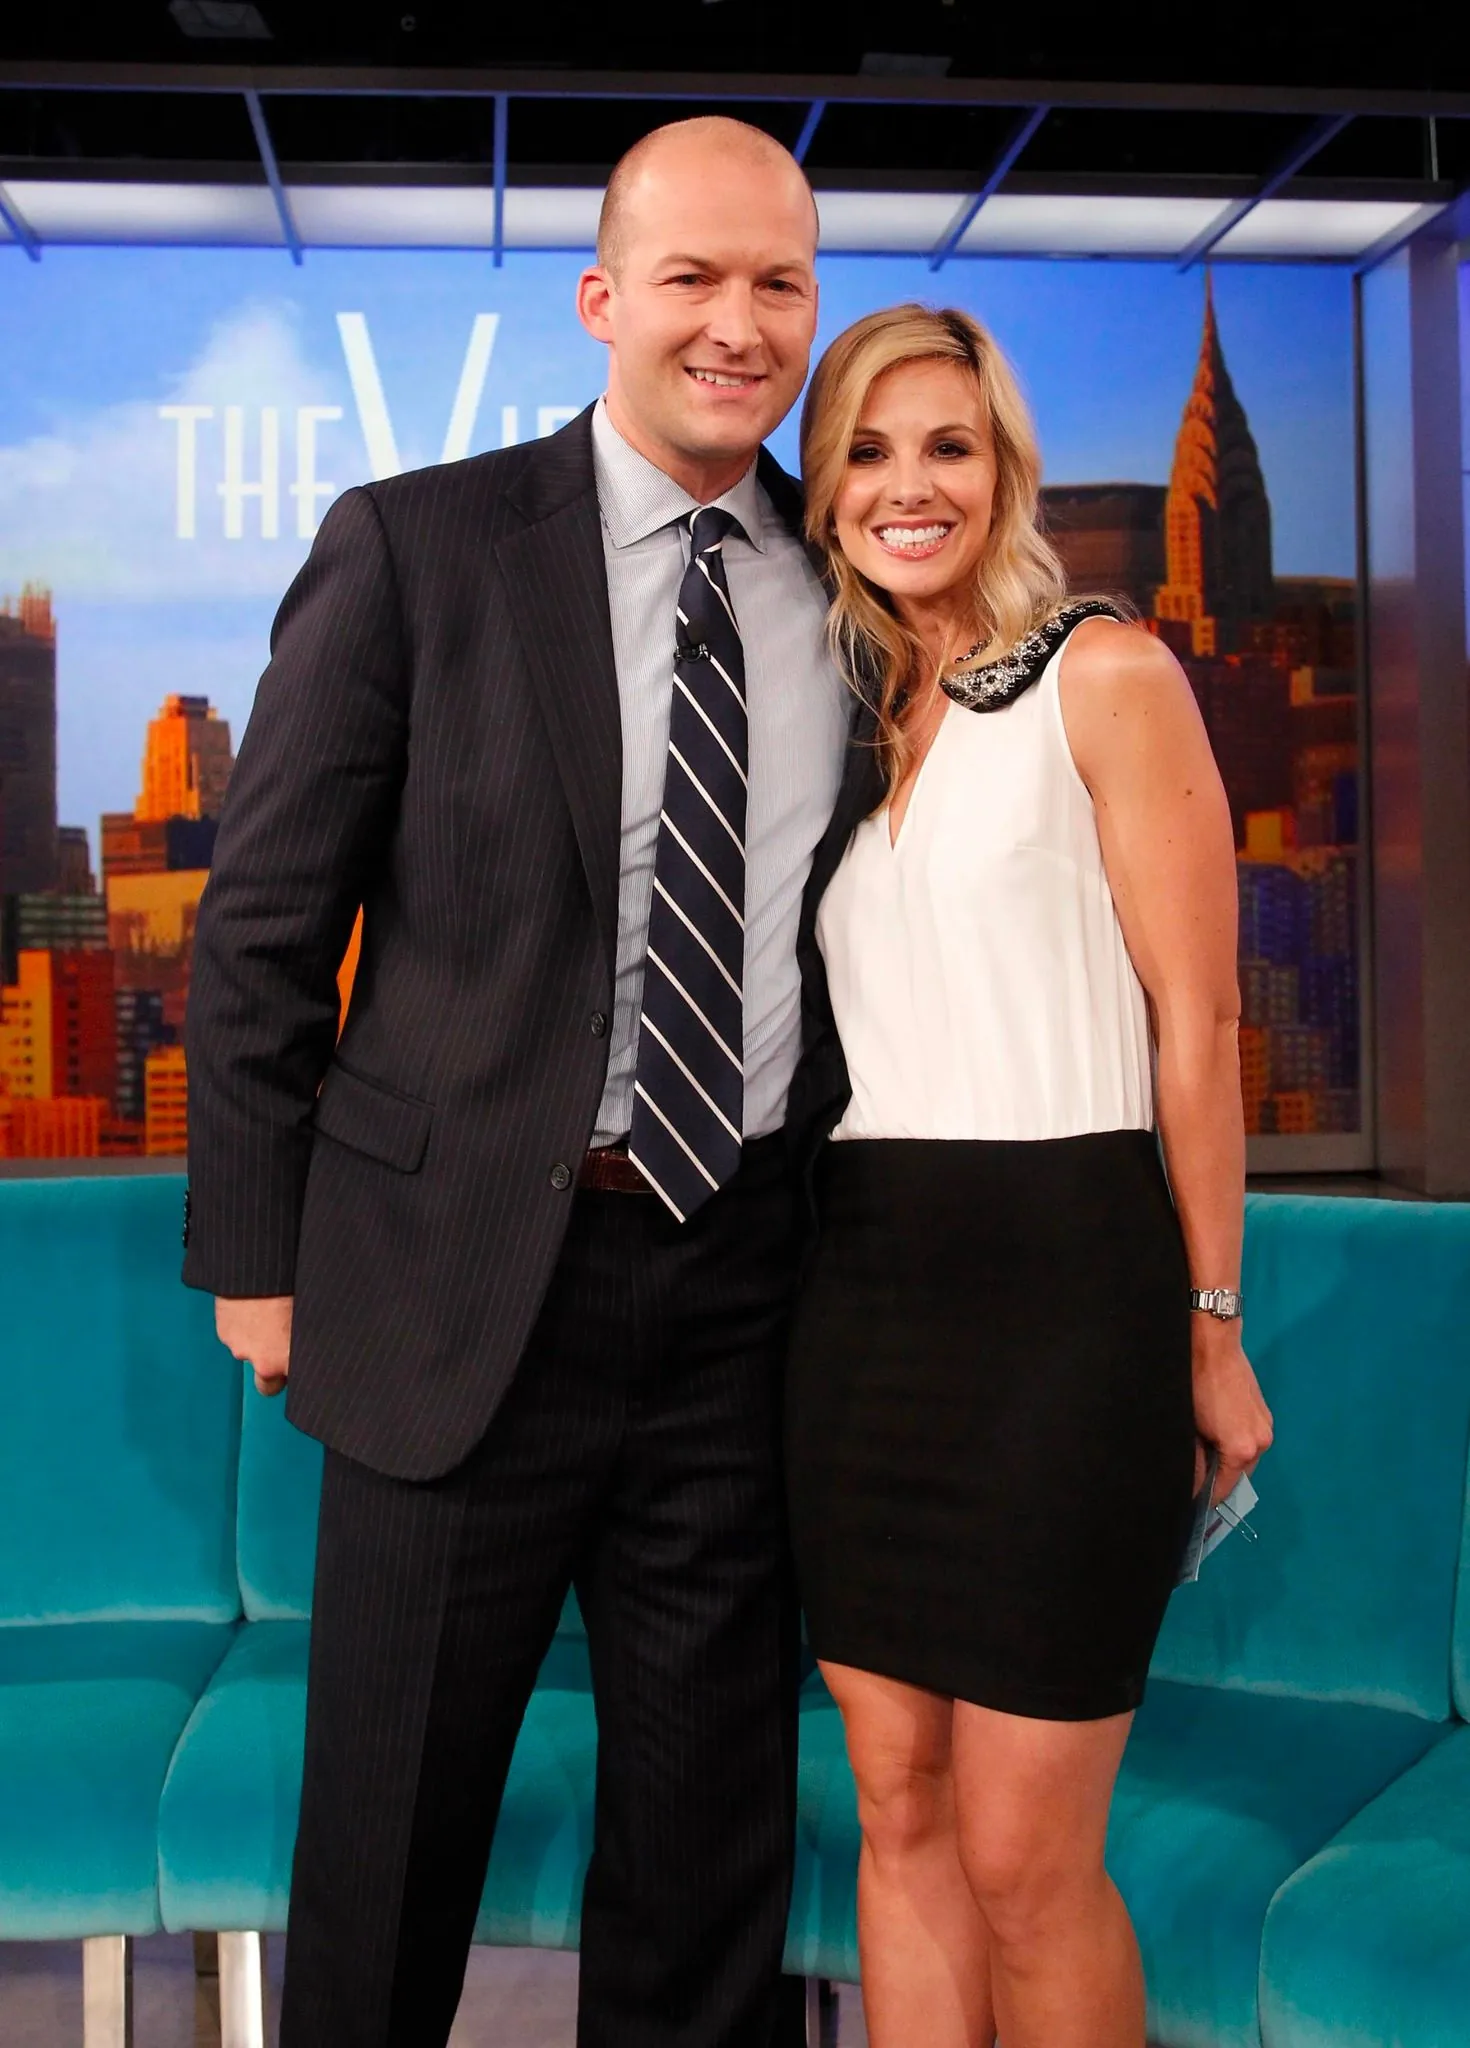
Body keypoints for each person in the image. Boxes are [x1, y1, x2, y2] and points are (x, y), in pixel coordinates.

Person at [182, 116, 851, 2048]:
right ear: (602, 300)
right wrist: (260, 1257)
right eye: (693, 278)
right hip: (452, 1281)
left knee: (707, 1848)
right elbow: (262, 927)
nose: (737, 323)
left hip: (741, 1294)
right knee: (389, 1846)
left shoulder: (852, 583)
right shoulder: (417, 544)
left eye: (778, 282)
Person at [785, 304, 1275, 2048]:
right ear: (820, 483)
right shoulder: (841, 721)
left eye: (947, 447)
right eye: (863, 449)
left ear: (1003, 472)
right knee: (896, 1809)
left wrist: (1209, 1324)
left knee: (1020, 1856)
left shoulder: (1109, 673)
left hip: (1070, 1294)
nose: (905, 487)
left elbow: (1198, 1032)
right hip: (860, 1305)